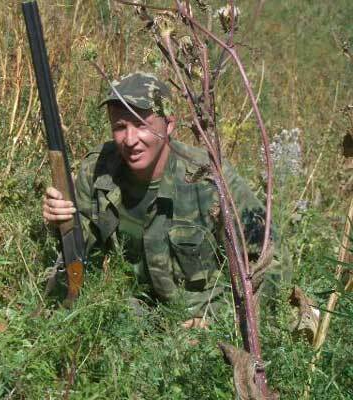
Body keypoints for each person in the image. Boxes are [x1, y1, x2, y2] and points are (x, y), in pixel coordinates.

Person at [42, 72, 287, 326]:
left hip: (198, 327)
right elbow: (80, 248)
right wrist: (59, 221)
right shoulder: (97, 171)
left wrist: (217, 321)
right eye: (120, 127)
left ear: (169, 124)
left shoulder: (209, 178)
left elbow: (272, 259)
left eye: (141, 124)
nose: (130, 139)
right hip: (128, 319)